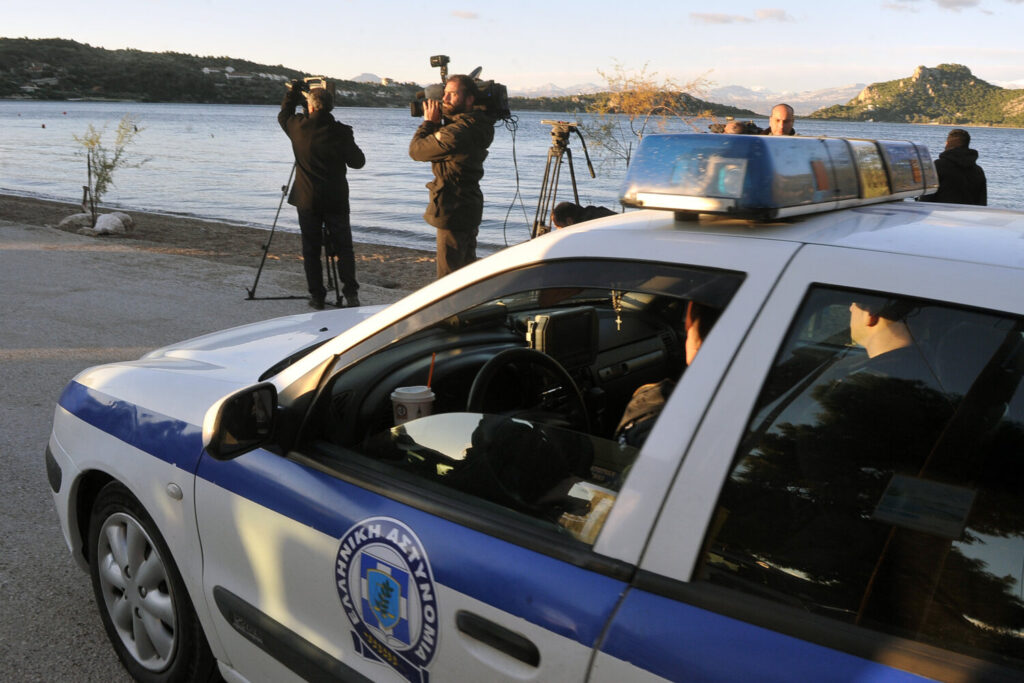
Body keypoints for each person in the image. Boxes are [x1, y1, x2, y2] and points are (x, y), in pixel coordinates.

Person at [279, 81, 365, 310]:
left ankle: (317, 296)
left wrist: (292, 93)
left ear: (311, 107)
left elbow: (283, 114)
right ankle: (351, 293)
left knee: (311, 248)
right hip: (336, 199)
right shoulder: (342, 132)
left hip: (307, 199)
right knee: (344, 247)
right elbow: (358, 162)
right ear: (330, 107)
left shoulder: (298, 127)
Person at [409, 75, 496, 278]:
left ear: (469, 99)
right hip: (469, 205)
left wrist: (429, 123)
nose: (444, 99)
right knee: (466, 274)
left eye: (452, 94)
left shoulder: (457, 133)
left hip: (453, 208)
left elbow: (416, 151)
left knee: (448, 279)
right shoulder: (479, 124)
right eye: (444, 94)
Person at [919, 128, 987, 206]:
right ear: (967, 145)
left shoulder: (938, 166)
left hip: (941, 215)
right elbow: (982, 202)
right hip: (970, 216)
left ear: (947, 143)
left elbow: (925, 199)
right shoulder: (978, 171)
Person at [550, 201, 616, 228]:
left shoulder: (586, 228)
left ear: (569, 221)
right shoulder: (595, 212)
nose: (557, 231)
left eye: (559, 227)